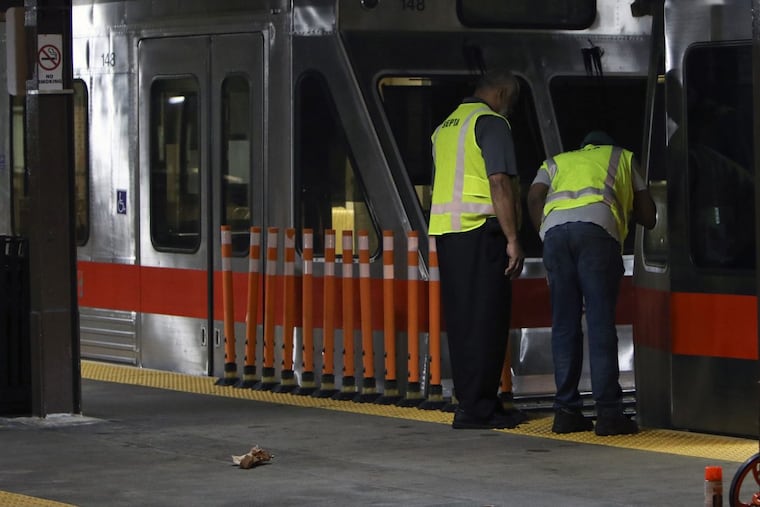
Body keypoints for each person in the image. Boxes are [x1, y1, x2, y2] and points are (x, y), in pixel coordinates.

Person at [526, 131, 656, 436]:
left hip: (555, 234)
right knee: (599, 323)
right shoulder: (621, 157)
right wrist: (628, 208)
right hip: (597, 231)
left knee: (564, 324)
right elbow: (649, 215)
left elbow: (533, 196)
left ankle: (566, 412)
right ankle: (609, 414)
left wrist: (546, 234)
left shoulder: (557, 161)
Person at [429, 69, 525, 429]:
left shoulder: (446, 126)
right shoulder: (490, 122)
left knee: (464, 321)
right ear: (500, 91)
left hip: (449, 232)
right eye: (511, 100)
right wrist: (513, 238)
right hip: (481, 230)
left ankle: (474, 400)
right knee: (488, 319)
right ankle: (478, 408)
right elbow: (499, 182)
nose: (510, 109)